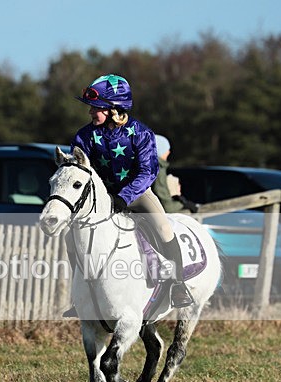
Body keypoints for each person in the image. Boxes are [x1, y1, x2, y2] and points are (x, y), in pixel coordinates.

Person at [70, 74, 194, 308]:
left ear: (113, 109)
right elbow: (80, 170)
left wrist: (123, 197)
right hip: (102, 197)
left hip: (137, 195)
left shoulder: (141, 133)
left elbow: (148, 172)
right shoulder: (84, 136)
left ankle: (178, 285)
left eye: (95, 108)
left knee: (163, 227)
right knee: (73, 235)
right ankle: (81, 293)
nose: (90, 113)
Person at [151, 135, 199, 214]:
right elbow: (166, 206)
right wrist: (183, 204)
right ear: (159, 150)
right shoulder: (158, 168)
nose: (169, 152)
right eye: (166, 149)